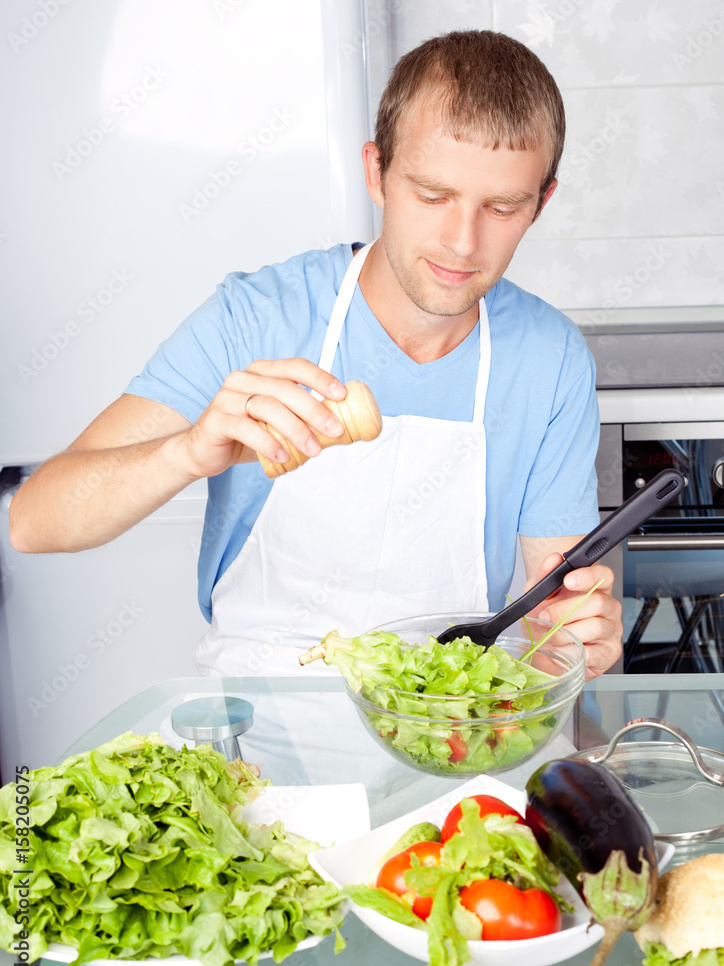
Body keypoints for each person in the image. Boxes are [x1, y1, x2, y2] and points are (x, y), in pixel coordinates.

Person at [10, 30, 622, 680]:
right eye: (432, 195)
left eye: (502, 207)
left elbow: (550, 618)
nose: (461, 243)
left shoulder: (550, 360)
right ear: (376, 173)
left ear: (541, 203)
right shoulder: (258, 317)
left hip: (446, 717)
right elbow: (33, 522)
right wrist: (187, 451)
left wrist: (572, 639)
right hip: (263, 721)